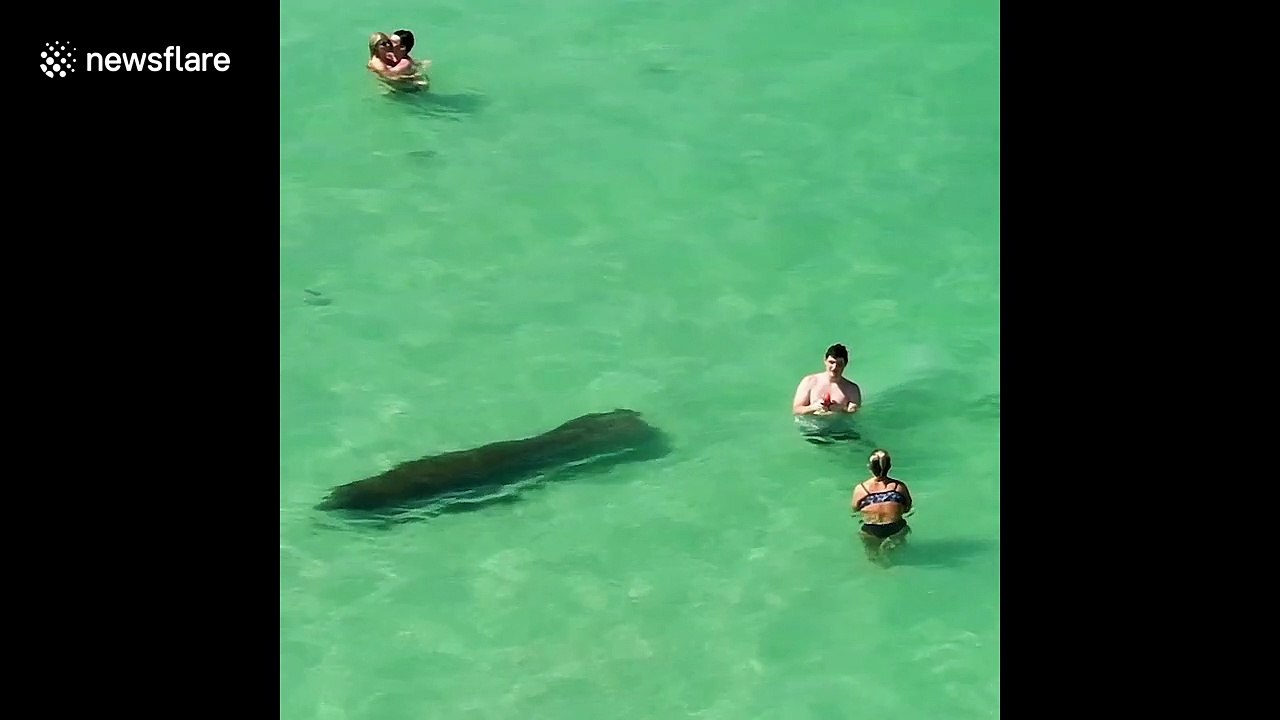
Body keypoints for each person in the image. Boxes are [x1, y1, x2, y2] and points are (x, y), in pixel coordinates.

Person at [850, 449, 913, 565]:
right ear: (889, 466)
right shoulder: (899, 487)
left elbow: (855, 510)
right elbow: (908, 508)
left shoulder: (861, 489)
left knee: (874, 559)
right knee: (897, 558)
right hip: (895, 527)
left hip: (871, 529)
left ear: (869, 467)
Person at [792, 343, 861, 416]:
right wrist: (813, 407)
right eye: (831, 362)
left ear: (845, 364)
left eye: (839, 364)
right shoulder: (809, 381)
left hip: (839, 423)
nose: (834, 367)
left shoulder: (852, 389)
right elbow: (796, 410)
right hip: (812, 423)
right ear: (825, 361)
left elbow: (855, 413)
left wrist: (841, 409)